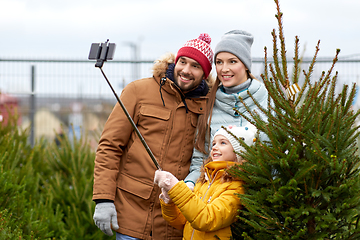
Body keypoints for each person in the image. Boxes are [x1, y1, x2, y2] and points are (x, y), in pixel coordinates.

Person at [92, 33, 214, 240]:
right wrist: (103, 199)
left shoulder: (208, 106)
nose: (185, 70)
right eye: (182, 62)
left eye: (195, 66)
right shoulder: (138, 91)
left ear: (204, 73)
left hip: (175, 220)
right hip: (131, 213)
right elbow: (109, 146)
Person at [185, 30, 269, 187]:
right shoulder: (210, 105)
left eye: (232, 61)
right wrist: (190, 183)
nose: (224, 69)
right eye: (219, 62)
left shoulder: (269, 102)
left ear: (245, 65)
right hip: (219, 201)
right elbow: (200, 159)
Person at [154, 124, 257, 240]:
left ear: (238, 153)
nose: (214, 147)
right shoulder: (204, 180)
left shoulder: (236, 187)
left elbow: (206, 219)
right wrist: (169, 202)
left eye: (223, 143)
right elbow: (182, 221)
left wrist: (175, 187)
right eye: (213, 144)